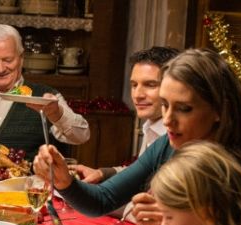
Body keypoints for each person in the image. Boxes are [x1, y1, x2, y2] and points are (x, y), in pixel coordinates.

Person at [34, 48, 241, 225]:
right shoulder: (167, 146)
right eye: (165, 104)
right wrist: (65, 182)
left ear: (219, 109)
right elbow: (102, 200)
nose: (167, 120)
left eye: (184, 109)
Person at [0, 24, 89, 161]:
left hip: (32, 182)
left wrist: (57, 114)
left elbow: (82, 136)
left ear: (21, 58)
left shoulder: (45, 97)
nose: (0, 69)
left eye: (8, 60)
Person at [71, 46, 179, 183]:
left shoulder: (179, 136)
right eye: (134, 85)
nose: (137, 95)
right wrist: (102, 173)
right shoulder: (151, 125)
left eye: (150, 85)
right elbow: (140, 173)